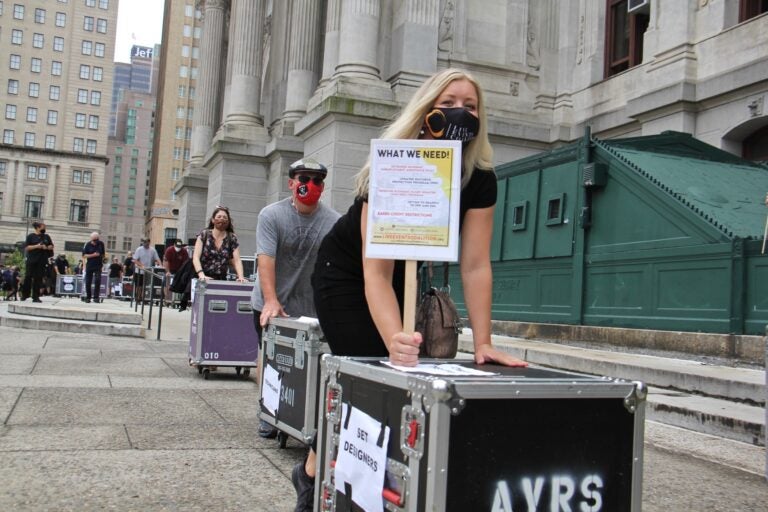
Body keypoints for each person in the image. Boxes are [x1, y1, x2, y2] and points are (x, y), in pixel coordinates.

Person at [290, 69, 529, 511]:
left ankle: (331, 473)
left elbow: (476, 265)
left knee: (390, 378)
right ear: (427, 112)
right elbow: (374, 275)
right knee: (372, 373)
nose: (462, 111)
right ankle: (316, 476)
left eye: (471, 106)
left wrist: (484, 342)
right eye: (450, 101)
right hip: (347, 274)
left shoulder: (479, 178)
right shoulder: (396, 165)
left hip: (405, 276)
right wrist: (392, 341)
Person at [250, 158, 340, 439]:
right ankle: (268, 410)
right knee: (270, 357)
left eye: (316, 180)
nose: (309, 185)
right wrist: (270, 299)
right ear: (291, 184)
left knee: (305, 366)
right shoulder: (271, 215)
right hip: (269, 301)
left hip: (309, 308)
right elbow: (266, 258)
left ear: (323, 187)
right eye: (303, 179)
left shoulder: (333, 221)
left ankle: (298, 414)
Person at [191, 206, 247, 283]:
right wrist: (201, 274)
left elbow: (237, 260)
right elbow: (196, 257)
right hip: (201, 279)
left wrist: (241, 276)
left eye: (224, 217)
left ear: (228, 221)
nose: (222, 219)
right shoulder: (204, 235)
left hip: (220, 280)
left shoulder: (232, 238)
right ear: (213, 220)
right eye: (219, 217)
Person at [20, 221, 54, 303]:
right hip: (32, 260)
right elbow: (27, 247)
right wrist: (37, 246)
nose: (44, 229)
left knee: (38, 278)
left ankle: (35, 296)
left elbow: (51, 246)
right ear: (38, 228)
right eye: (43, 227)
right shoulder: (31, 236)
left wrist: (47, 247)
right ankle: (25, 294)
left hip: (42, 260)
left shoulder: (46, 236)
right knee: (28, 277)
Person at [133, 239, 161, 304]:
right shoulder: (139, 249)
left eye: (147, 243)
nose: (146, 244)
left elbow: (157, 258)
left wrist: (161, 265)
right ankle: (138, 298)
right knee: (139, 286)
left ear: (149, 243)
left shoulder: (152, 250)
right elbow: (135, 260)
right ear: (143, 243)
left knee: (146, 286)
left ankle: (145, 298)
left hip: (148, 271)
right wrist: (141, 265)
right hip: (139, 271)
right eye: (145, 243)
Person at [81, 232, 106, 303]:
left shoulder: (101, 244)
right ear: (91, 239)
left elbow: (103, 254)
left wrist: (103, 261)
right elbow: (84, 255)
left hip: (98, 265)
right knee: (88, 281)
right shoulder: (88, 244)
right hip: (90, 265)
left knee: (98, 280)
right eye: (94, 240)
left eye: (97, 239)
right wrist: (93, 255)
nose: (95, 241)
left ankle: (96, 297)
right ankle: (88, 297)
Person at [163, 239, 189, 304]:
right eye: (177, 246)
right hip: (170, 269)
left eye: (179, 247)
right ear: (174, 245)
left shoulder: (184, 251)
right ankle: (166, 298)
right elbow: (166, 262)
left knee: (181, 282)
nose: (178, 248)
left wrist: (183, 272)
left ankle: (179, 299)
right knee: (166, 282)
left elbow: (186, 263)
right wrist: (167, 271)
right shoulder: (169, 250)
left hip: (179, 270)